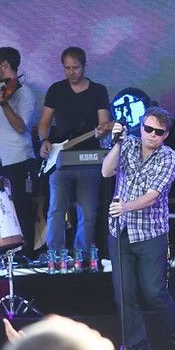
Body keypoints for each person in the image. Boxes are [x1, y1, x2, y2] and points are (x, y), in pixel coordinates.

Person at [102, 106, 175, 350]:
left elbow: (153, 196)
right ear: (141, 126)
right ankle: (139, 348)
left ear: (166, 135)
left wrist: (125, 207)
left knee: (154, 291)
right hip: (121, 230)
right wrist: (116, 144)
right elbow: (106, 171)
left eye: (159, 132)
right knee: (124, 293)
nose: (152, 135)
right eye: (148, 129)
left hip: (151, 232)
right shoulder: (128, 145)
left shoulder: (169, 157)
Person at [37, 47, 112, 265]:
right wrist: (44, 140)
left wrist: (102, 130)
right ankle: (55, 254)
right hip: (60, 157)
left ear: (84, 66)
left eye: (75, 68)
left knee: (88, 211)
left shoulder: (98, 91)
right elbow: (44, 122)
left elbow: (104, 122)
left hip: (88, 158)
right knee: (56, 209)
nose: (71, 72)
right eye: (67, 68)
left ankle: (82, 255)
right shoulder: (56, 90)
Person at [0, 47, 38, 260]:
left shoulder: (25, 94)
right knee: (2, 211)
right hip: (0, 160)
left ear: (5, 65)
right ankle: (7, 255)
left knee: (22, 210)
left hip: (19, 159)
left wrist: (5, 105)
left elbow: (21, 127)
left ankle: (26, 255)